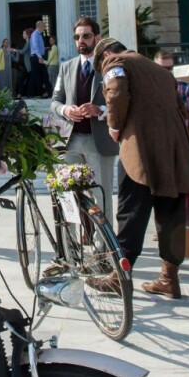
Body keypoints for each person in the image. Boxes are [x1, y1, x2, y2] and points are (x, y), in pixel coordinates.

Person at [91, 37, 189, 299]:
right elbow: (181, 109)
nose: (103, 69)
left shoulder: (116, 62)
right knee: (171, 214)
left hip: (139, 150)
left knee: (131, 212)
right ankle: (169, 278)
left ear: (105, 54)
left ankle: (119, 277)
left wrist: (114, 127)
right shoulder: (160, 72)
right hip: (173, 151)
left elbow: (116, 92)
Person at [50, 18, 120, 223]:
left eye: (86, 36)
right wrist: (66, 110)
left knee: (101, 197)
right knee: (67, 196)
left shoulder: (109, 67)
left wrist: (100, 110)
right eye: (77, 37)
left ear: (97, 38)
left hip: (99, 141)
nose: (81, 40)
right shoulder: (66, 67)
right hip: (70, 141)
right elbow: (55, 102)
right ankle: (70, 249)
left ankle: (104, 250)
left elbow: (122, 101)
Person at [153, 51, 189, 138]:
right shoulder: (147, 88)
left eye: (170, 68)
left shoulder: (185, 87)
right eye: (163, 68)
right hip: (156, 138)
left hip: (179, 137)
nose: (167, 71)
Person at [30, 20, 49, 97]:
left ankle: (45, 92)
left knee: (43, 75)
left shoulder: (39, 35)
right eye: (43, 26)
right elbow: (35, 47)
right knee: (38, 76)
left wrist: (44, 49)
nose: (44, 28)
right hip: (36, 57)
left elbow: (39, 47)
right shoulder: (35, 34)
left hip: (39, 56)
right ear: (39, 26)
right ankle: (43, 93)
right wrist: (40, 57)